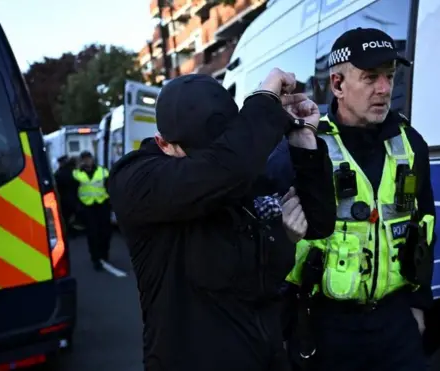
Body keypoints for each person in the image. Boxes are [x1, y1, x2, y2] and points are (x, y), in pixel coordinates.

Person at [107, 70, 336, 371]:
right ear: (163, 144)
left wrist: (303, 139)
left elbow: (318, 223)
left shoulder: (239, 169)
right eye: (201, 152)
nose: (217, 156)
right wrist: (265, 99)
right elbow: (224, 168)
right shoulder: (137, 181)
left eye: (223, 143)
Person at [270, 28, 437, 371]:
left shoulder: (411, 143)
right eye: (371, 77)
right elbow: (277, 237)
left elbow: (426, 223)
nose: (385, 89)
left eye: (389, 77)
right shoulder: (304, 143)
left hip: (395, 323)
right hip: (326, 326)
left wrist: (418, 306)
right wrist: (286, 327)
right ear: (338, 85)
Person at [73, 150, 112, 271]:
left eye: (88, 158)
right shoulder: (76, 174)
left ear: (92, 159)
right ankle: (96, 259)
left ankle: (104, 254)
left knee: (105, 233)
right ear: (81, 161)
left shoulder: (103, 171)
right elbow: (72, 190)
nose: (87, 161)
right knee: (92, 234)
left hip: (102, 204)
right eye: (84, 159)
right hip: (87, 206)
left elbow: (110, 186)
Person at [54, 155, 79, 234]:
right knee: (71, 216)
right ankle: (72, 230)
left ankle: (67, 231)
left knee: (66, 217)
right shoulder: (73, 171)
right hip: (73, 197)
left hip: (64, 198)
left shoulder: (59, 173)